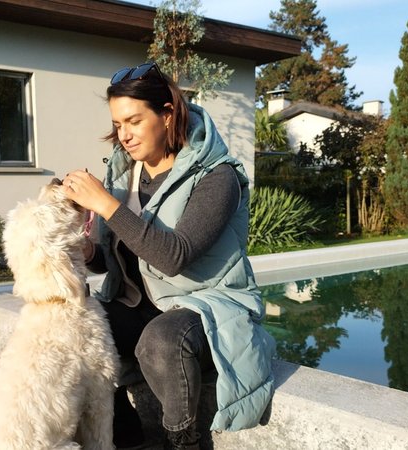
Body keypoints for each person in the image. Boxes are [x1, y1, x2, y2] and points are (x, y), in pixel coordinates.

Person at [62, 62, 275, 450]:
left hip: (205, 307)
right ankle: (126, 438)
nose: (124, 136)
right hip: (141, 305)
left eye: (134, 121)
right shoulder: (125, 172)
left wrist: (107, 205)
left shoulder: (217, 177)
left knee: (160, 341)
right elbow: (116, 258)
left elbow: (173, 257)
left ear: (168, 113)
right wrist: (90, 249)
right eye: (118, 124)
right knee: (75, 327)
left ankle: (183, 443)